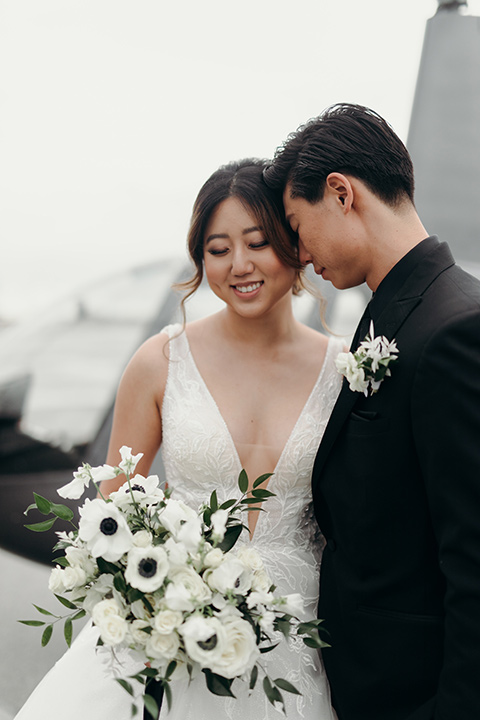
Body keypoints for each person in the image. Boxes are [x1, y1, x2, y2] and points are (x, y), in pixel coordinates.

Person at [15, 159, 343, 720]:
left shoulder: (344, 370)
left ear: (296, 245)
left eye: (258, 242)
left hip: (298, 642)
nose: (239, 265)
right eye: (217, 250)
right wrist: (160, 591)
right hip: (165, 638)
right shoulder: (161, 361)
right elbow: (109, 517)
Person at [263, 103, 480, 720]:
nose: (299, 254)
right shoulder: (396, 313)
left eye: (296, 226)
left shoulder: (457, 329)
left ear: (341, 193)